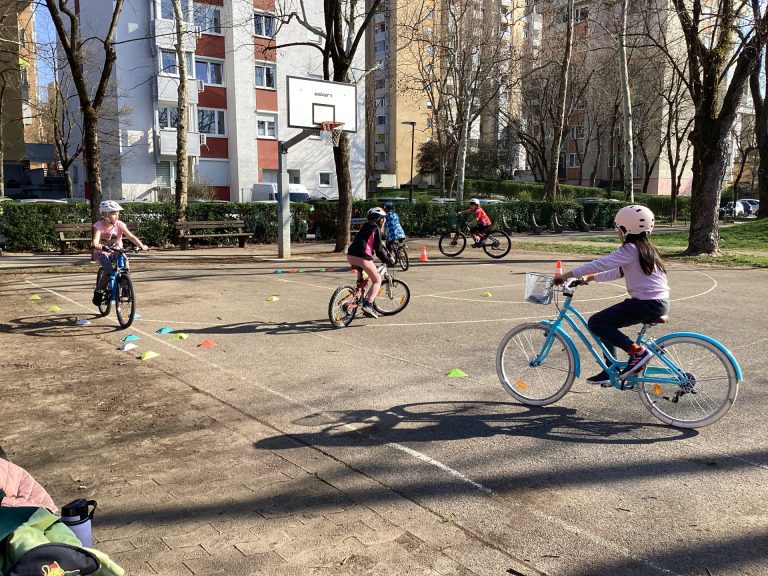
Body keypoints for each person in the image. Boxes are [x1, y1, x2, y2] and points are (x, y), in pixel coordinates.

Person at [552, 205, 669, 385]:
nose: (617, 231)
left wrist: (566, 275)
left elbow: (601, 263)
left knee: (597, 322)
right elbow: (618, 271)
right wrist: (590, 278)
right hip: (657, 302)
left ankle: (637, 352)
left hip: (646, 303)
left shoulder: (630, 249)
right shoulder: (645, 249)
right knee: (605, 323)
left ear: (626, 228)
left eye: (618, 227)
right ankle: (611, 369)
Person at [92, 200, 148, 306]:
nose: (117, 216)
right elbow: (96, 238)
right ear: (105, 214)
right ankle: (99, 291)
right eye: (114, 214)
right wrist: (96, 244)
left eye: (118, 214)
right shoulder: (99, 225)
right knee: (109, 271)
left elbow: (131, 236)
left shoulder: (120, 224)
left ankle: (125, 287)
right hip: (103, 252)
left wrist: (141, 245)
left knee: (125, 265)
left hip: (117, 250)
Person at [346, 207, 394, 319]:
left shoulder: (365, 226)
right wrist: (387, 260)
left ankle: (352, 304)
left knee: (362, 282)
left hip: (351, 255)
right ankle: (368, 304)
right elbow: (379, 250)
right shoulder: (376, 229)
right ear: (379, 219)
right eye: (383, 219)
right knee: (377, 280)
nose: (383, 221)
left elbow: (375, 242)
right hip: (362, 257)